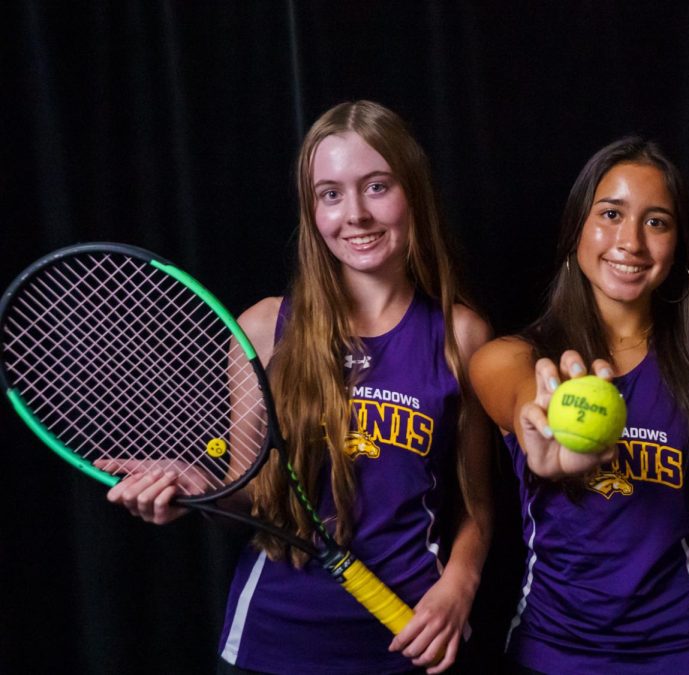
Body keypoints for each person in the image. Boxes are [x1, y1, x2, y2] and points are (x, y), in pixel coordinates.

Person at [104, 100, 492, 674]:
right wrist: (199, 490)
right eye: (330, 194)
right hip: (271, 642)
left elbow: (478, 503)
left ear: (414, 192)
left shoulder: (462, 334)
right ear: (313, 211)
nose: (354, 213)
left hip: (409, 638)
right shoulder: (264, 327)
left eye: (377, 186)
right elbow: (251, 499)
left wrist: (460, 586)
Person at [470, 137, 689, 675]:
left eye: (656, 222)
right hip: (551, 654)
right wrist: (539, 430)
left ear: (678, 245)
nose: (630, 241)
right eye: (610, 214)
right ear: (576, 229)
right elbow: (524, 403)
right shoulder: (506, 359)